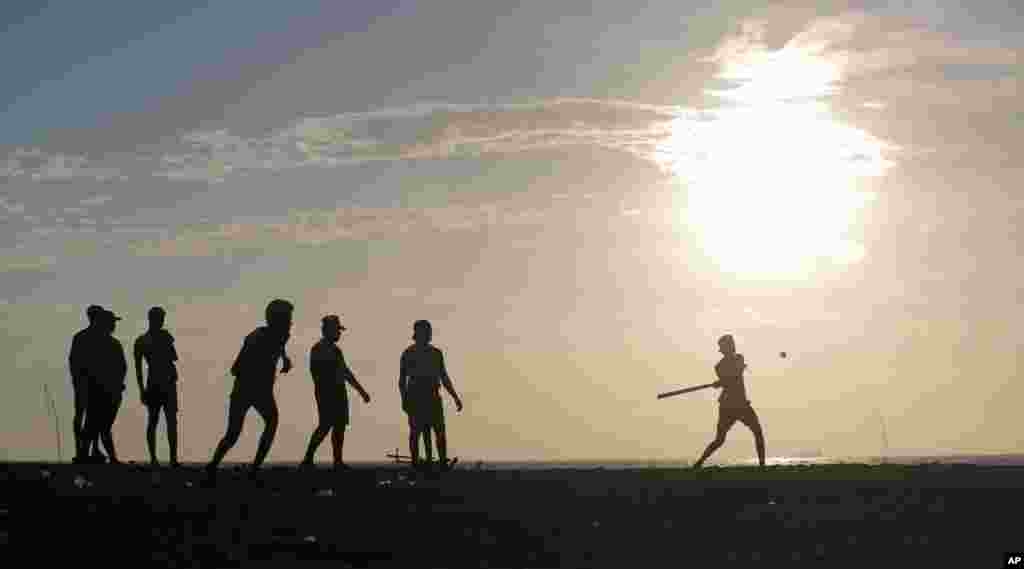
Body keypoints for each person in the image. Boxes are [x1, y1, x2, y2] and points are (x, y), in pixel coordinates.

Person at [205, 299, 294, 481]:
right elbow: (235, 368)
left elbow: (281, 345)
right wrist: (258, 372)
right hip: (245, 390)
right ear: (276, 319)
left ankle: (253, 469)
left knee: (271, 422)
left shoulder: (282, 335)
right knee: (233, 434)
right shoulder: (256, 337)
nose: (291, 323)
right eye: (288, 319)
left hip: (261, 391)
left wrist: (284, 359)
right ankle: (213, 466)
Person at [300, 315, 371, 469]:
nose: (339, 333)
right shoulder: (318, 349)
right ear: (329, 331)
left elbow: (345, 372)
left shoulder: (335, 350)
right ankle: (308, 459)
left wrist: (361, 391)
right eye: (337, 330)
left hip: (338, 392)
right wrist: (360, 391)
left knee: (338, 427)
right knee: (325, 426)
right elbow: (317, 374)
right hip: (328, 393)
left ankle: (337, 461)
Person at [692, 334, 766, 469]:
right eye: (729, 346)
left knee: (757, 432)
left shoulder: (739, 358)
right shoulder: (719, 366)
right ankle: (699, 462)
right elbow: (731, 378)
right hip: (728, 406)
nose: (732, 347)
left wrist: (721, 382)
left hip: (741, 404)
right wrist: (721, 382)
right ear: (725, 348)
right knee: (720, 439)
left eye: (732, 345)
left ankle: (762, 465)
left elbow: (735, 374)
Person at [399, 320, 462, 472]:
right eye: (426, 331)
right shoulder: (408, 353)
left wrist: (455, 397)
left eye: (430, 331)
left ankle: (441, 463)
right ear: (418, 333)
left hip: (433, 397)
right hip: (416, 398)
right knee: (416, 432)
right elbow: (402, 380)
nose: (429, 334)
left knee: (440, 432)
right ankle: (415, 463)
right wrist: (404, 400)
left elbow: (444, 377)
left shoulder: (436, 353)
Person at [134, 306, 181, 467]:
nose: (161, 322)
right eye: (160, 318)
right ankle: (161, 458)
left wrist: (141, 389)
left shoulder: (142, 340)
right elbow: (173, 357)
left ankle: (168, 458)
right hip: (161, 382)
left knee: (164, 421)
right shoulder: (160, 338)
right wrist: (141, 389)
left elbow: (138, 368)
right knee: (160, 421)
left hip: (159, 382)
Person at [82, 309, 128, 464]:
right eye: (112, 322)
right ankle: (109, 457)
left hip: (104, 391)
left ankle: (90, 454)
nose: (114, 325)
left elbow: (122, 367)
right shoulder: (111, 344)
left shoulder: (108, 343)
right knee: (102, 426)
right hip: (105, 391)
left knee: (97, 425)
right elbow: (122, 367)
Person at [69, 305, 104, 463]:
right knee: (87, 416)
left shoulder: (81, 336)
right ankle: (85, 450)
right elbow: (73, 361)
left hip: (87, 383)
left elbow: (72, 361)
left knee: (90, 416)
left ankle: (88, 450)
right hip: (88, 383)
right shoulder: (89, 337)